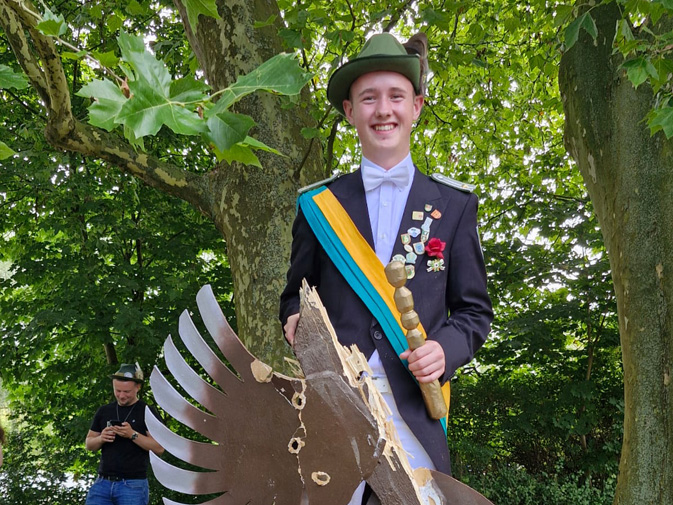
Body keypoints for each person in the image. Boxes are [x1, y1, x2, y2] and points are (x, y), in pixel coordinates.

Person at [279, 32, 493, 503]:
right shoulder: (320, 206)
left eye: (396, 96)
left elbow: (475, 312)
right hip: (336, 403)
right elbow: (293, 294)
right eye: (368, 98)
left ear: (416, 106)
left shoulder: (455, 206)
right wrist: (294, 318)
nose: (383, 110)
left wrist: (444, 350)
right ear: (350, 112)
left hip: (416, 406)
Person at [85, 363, 164, 505]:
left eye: (126, 391)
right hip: (102, 483)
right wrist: (101, 438)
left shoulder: (147, 412)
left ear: (137, 387)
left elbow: (159, 448)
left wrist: (132, 434)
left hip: (133, 485)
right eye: (118, 390)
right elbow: (89, 444)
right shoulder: (104, 411)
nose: (121, 396)